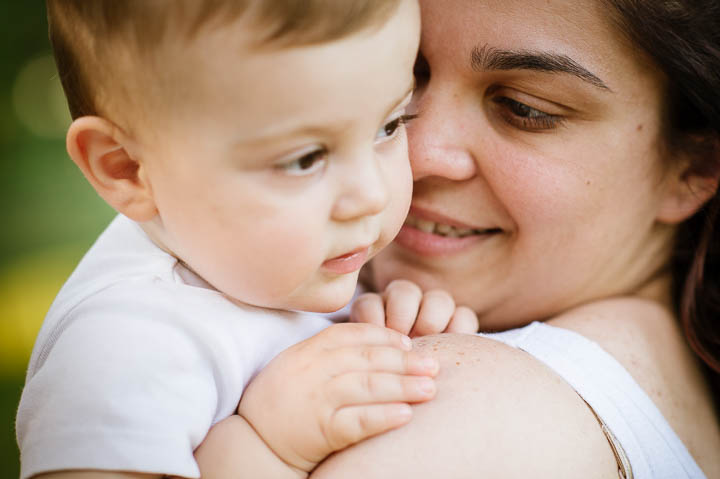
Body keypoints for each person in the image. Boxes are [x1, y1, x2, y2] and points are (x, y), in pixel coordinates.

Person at [197, 0, 720, 477]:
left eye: (524, 108)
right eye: (397, 77)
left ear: (693, 167)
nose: (417, 150)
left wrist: (260, 441)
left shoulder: (470, 411)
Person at [16, 1, 481, 478]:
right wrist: (269, 444)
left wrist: (398, 332)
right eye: (305, 159)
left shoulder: (275, 266)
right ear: (128, 169)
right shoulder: (125, 345)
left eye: (389, 125)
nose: (372, 194)